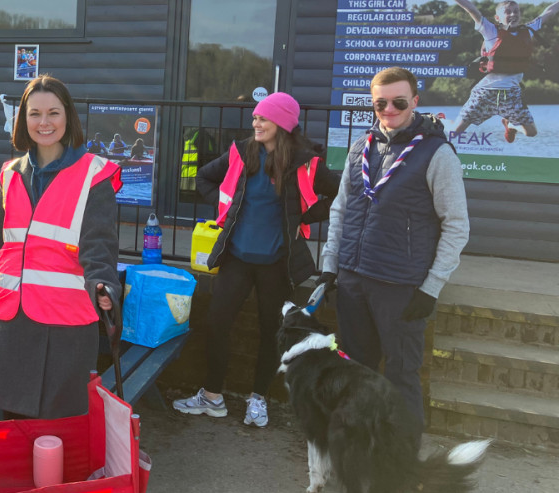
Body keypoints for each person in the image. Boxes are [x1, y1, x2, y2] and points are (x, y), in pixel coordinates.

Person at [173, 92, 339, 427]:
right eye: (255, 117)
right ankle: (213, 397)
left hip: (277, 263)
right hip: (236, 257)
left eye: (263, 118)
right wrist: (226, 207)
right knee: (217, 322)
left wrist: (305, 218)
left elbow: (339, 194)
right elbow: (204, 177)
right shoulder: (240, 151)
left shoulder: (307, 161)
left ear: (282, 124)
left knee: (271, 330)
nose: (255, 123)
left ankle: (258, 398)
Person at [319, 66, 469, 429]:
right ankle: (359, 452)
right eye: (380, 103)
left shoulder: (437, 154)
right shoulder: (360, 148)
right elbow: (340, 209)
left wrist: (431, 287)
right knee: (356, 373)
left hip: (401, 287)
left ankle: (401, 468)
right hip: (354, 281)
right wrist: (329, 266)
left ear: (415, 102)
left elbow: (457, 226)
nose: (389, 110)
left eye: (398, 102)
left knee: (402, 378)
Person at [0, 75, 122, 419]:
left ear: (67, 116)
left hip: (64, 326)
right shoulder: (10, 174)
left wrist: (103, 285)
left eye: (53, 113)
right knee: (12, 424)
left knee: (58, 428)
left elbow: (100, 246)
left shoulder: (93, 175)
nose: (44, 123)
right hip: (10, 322)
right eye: (35, 114)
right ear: (23, 119)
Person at [428, 0, 559, 142]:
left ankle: (511, 125)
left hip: (511, 94)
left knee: (531, 132)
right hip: (484, 93)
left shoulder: (529, 29)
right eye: (508, 12)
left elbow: (550, 11)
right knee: (455, 131)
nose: (513, 14)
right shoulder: (491, 31)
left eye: (516, 11)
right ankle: (438, 119)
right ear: (498, 18)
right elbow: (472, 10)